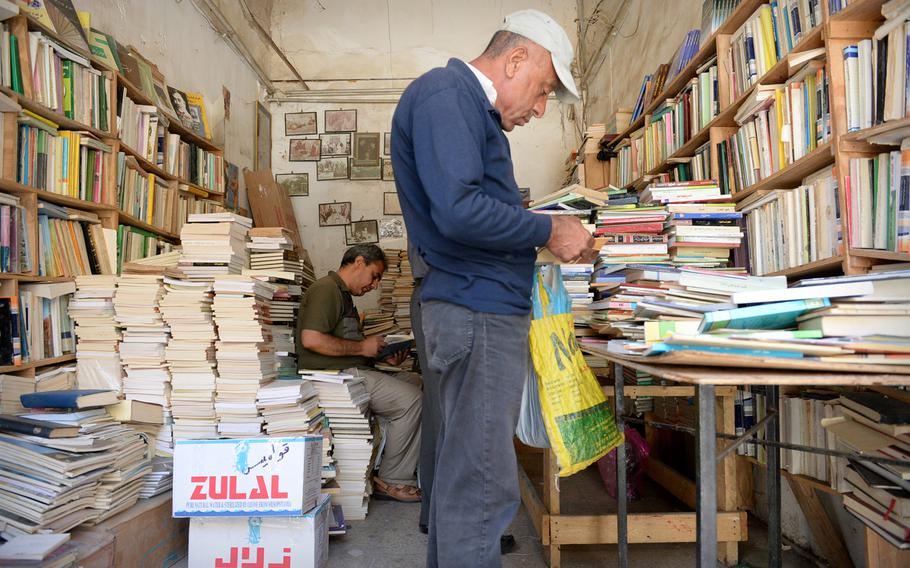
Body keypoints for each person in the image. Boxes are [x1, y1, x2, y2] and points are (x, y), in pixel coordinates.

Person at [391, 9, 596, 567]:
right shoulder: (446, 94)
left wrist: (529, 220)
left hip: (478, 306)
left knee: (468, 481)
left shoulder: (466, 108)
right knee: (481, 486)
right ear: (515, 59)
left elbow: (468, 208)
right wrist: (549, 228)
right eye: (543, 89)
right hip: (475, 309)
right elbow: (458, 212)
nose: (538, 108)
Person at [296, 244, 422, 502]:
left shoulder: (343, 296)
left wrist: (383, 355)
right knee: (411, 400)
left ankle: (384, 460)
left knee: (416, 381)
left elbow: (346, 343)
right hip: (332, 375)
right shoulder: (326, 289)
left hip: (351, 369)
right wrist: (363, 346)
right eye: (374, 275)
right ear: (359, 262)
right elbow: (311, 339)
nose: (375, 285)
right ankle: (393, 479)